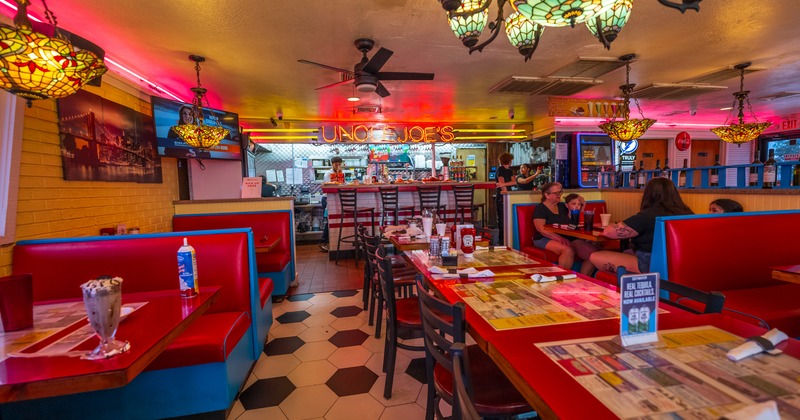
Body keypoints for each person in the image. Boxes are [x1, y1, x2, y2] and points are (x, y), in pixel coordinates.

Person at [590, 177, 693, 274]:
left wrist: (616, 224)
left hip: (649, 264)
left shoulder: (648, 215)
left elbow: (609, 232)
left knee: (595, 256)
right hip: (681, 263)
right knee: (627, 252)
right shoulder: (689, 213)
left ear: (649, 195)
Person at [532, 183, 598, 275]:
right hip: (544, 238)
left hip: (568, 236)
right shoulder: (540, 208)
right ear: (547, 195)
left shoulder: (563, 206)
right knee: (568, 250)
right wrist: (559, 238)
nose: (559, 195)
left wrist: (582, 203)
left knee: (594, 255)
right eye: (556, 193)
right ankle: (561, 279)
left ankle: (583, 279)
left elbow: (575, 210)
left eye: (560, 192)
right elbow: (541, 229)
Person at [319, 156, 344, 252]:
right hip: (326, 199)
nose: (338, 166)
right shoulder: (328, 173)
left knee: (332, 220)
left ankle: (329, 242)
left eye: (339, 164)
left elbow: (341, 184)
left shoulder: (341, 173)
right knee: (329, 220)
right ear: (332, 164)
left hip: (335, 198)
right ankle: (323, 242)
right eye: (336, 164)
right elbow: (328, 185)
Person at [495, 153, 515, 243]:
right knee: (502, 219)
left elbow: (514, 182)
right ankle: (501, 239)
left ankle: (506, 238)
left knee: (507, 218)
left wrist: (504, 185)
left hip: (507, 195)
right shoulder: (500, 169)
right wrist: (505, 195)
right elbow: (502, 184)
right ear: (509, 160)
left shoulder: (509, 170)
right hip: (503, 196)